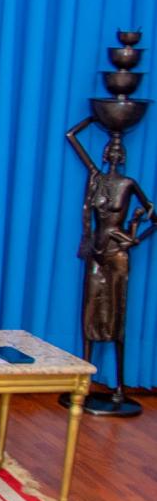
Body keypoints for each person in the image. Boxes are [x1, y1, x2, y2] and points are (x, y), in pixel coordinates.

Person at [66, 123, 155, 392]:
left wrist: (136, 235)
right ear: (105, 154)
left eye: (118, 150)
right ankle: (84, 381)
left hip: (118, 252)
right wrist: (98, 119)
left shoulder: (129, 184)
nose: (114, 154)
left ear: (123, 156)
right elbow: (72, 136)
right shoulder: (97, 179)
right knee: (90, 311)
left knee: (118, 313)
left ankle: (118, 386)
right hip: (96, 250)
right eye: (110, 149)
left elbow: (151, 212)